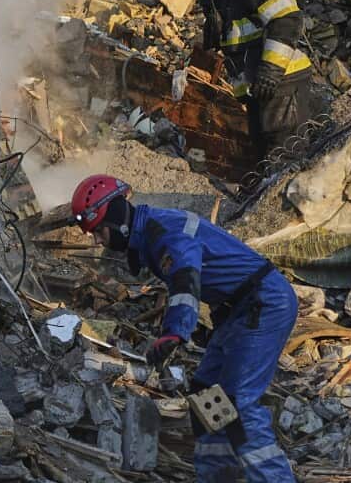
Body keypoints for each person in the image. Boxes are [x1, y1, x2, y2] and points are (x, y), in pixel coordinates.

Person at [71, 174, 297, 483]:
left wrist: (175, 332)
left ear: (116, 219)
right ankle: (217, 475)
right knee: (205, 390)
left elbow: (185, 279)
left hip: (263, 302)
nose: (97, 241)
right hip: (238, 310)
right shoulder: (151, 232)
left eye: (99, 232)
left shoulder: (164, 232)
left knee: (238, 400)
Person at [198, 0, 317, 161]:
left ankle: (283, 202)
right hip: (258, 83)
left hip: (281, 82)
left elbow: (286, 21)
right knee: (263, 153)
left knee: (285, 155)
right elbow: (210, 5)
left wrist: (270, 72)